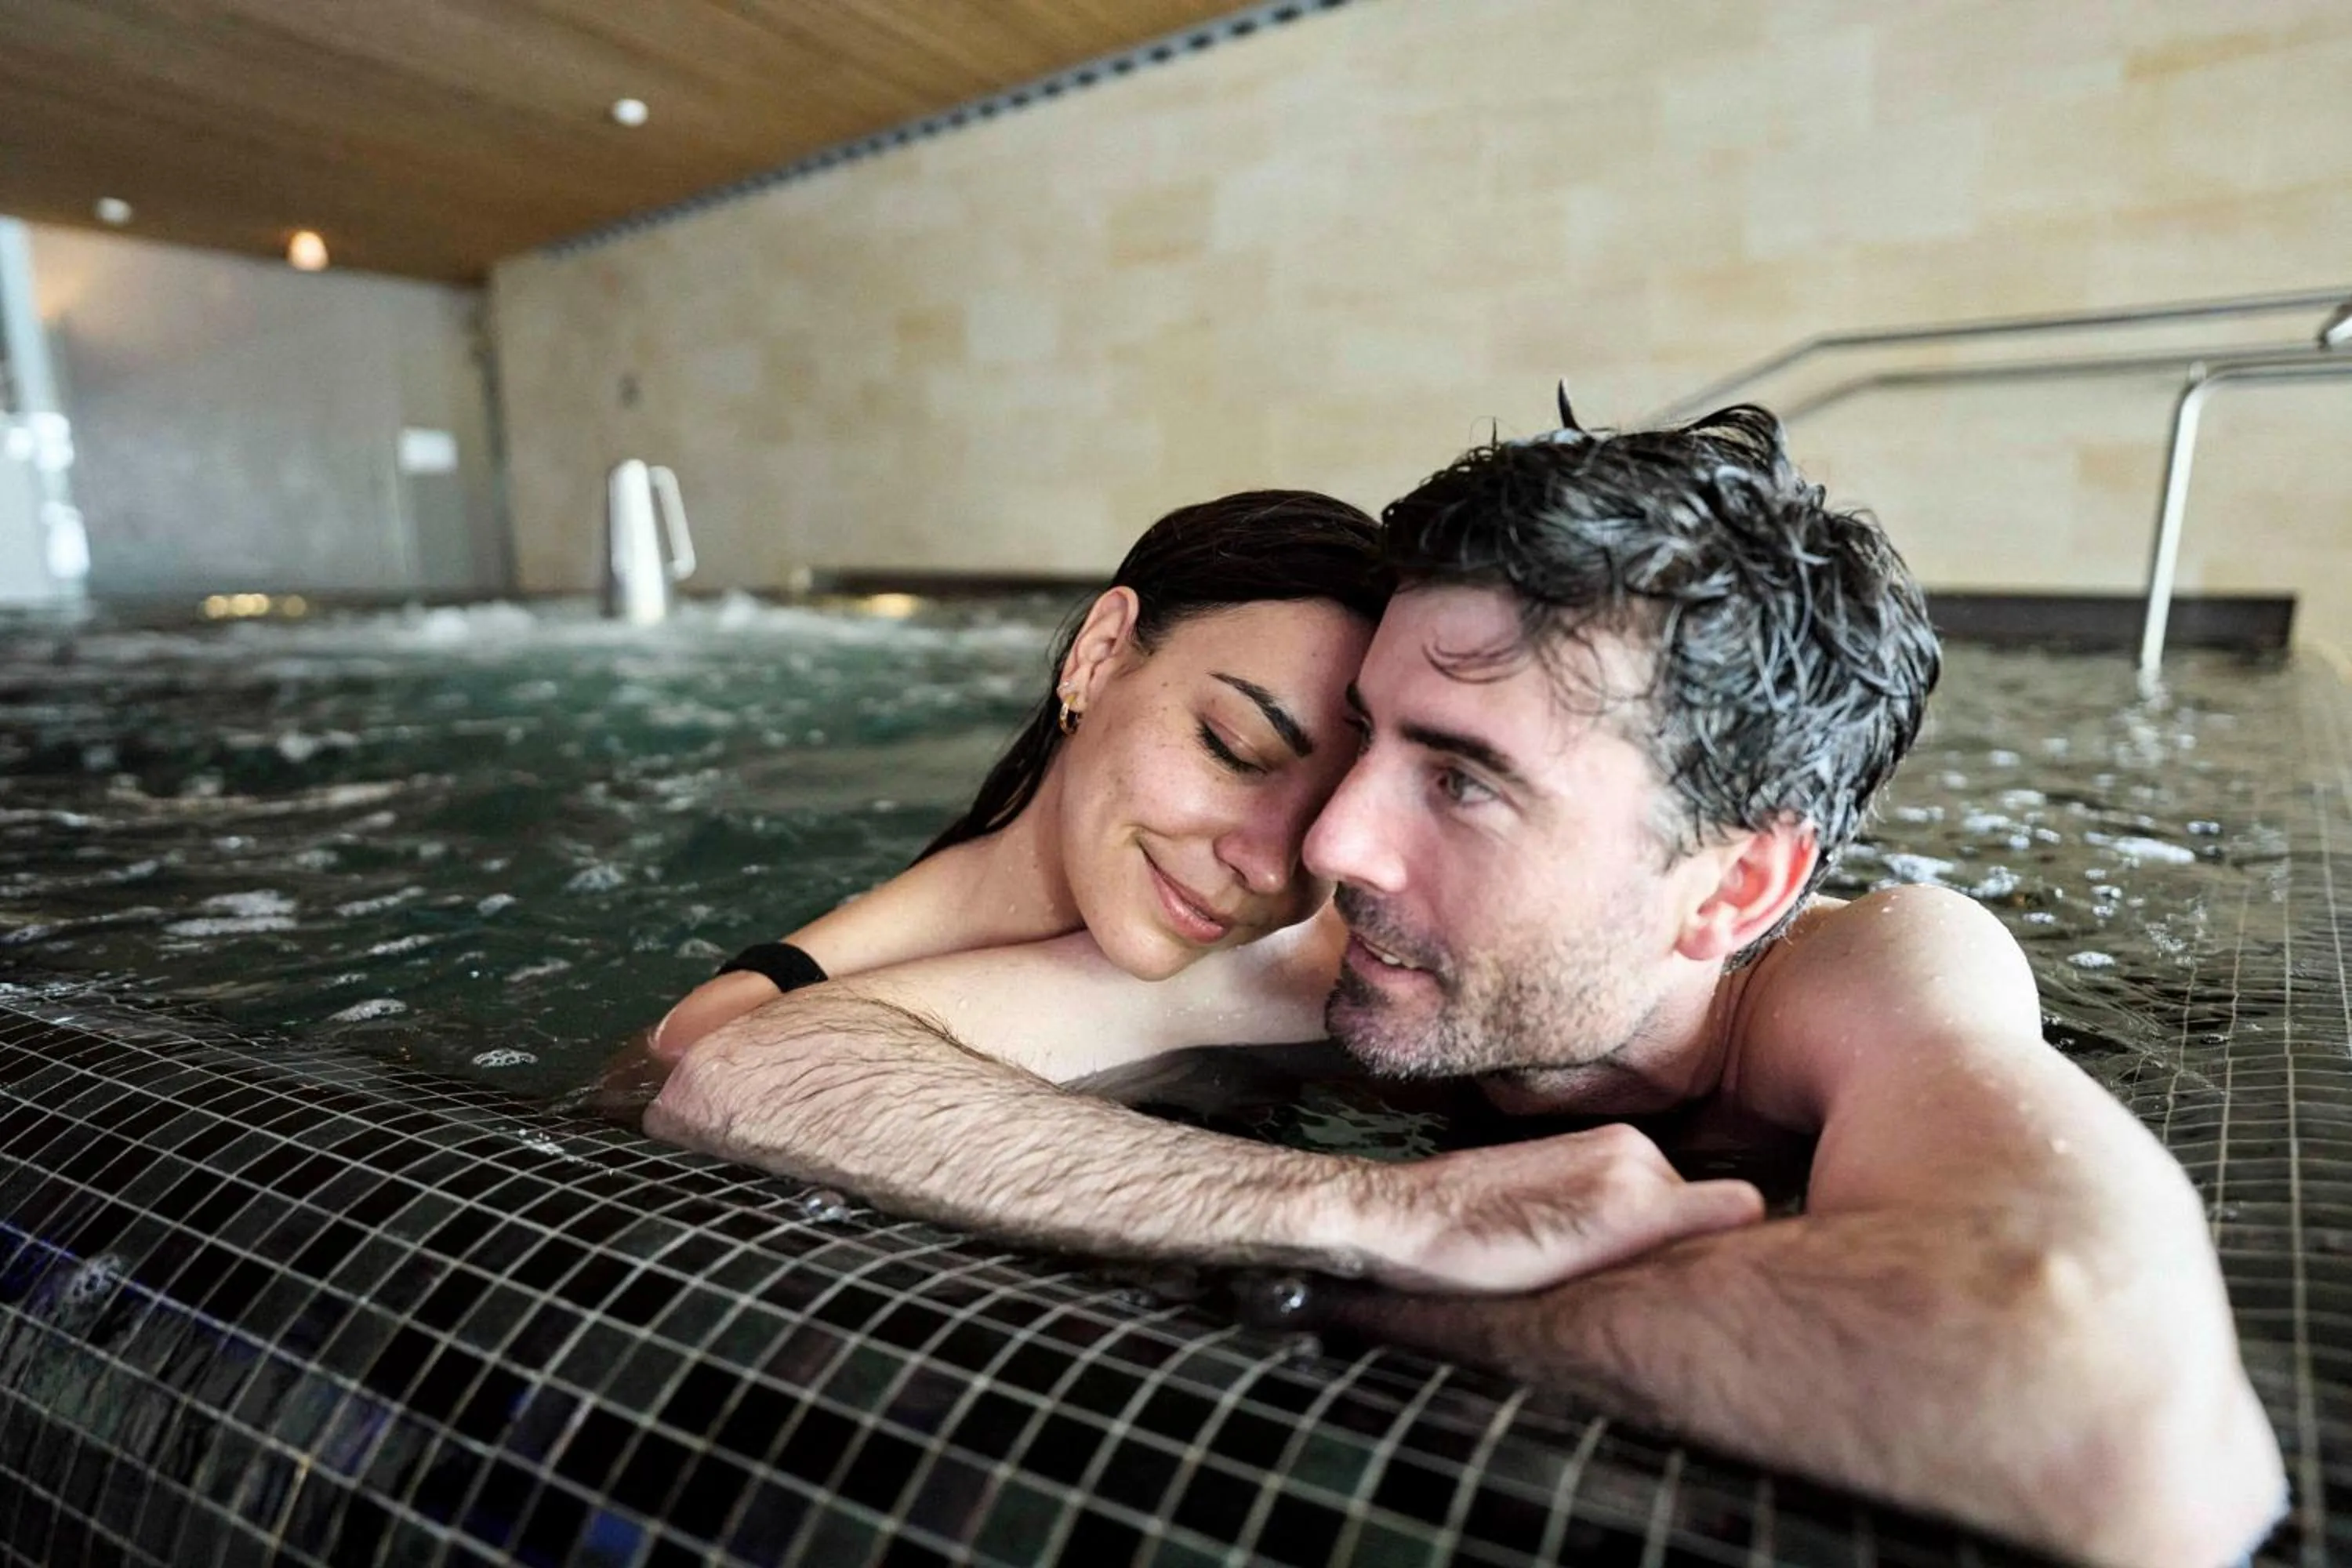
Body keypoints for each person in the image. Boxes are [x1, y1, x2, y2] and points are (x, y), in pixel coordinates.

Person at [646, 405, 2284, 1566]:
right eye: (1369, 736)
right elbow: (749, 1075)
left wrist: (1404, 1306)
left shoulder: (1873, 975)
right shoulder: (1331, 957)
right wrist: (1361, 1220)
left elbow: (2123, 1437)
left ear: (1736, 886)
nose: (1330, 842)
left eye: (1464, 780)